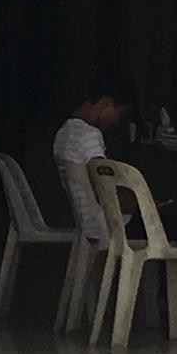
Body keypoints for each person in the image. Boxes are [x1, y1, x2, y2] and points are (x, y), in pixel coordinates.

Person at [51, 86, 127, 244]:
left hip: (84, 221)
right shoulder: (89, 135)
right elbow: (103, 187)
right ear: (105, 103)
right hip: (104, 224)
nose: (117, 122)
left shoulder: (63, 133)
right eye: (118, 114)